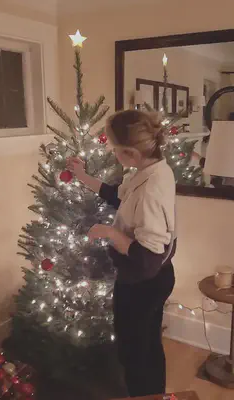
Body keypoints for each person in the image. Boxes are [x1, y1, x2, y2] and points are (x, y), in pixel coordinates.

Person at [67, 110, 176, 397]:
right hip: (159, 279)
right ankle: (155, 393)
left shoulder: (150, 188)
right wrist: (82, 176)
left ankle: (144, 394)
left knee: (134, 352)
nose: (111, 152)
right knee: (149, 344)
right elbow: (118, 195)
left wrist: (110, 232)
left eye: (114, 149)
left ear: (129, 152)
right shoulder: (153, 169)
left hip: (143, 283)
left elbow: (147, 258)